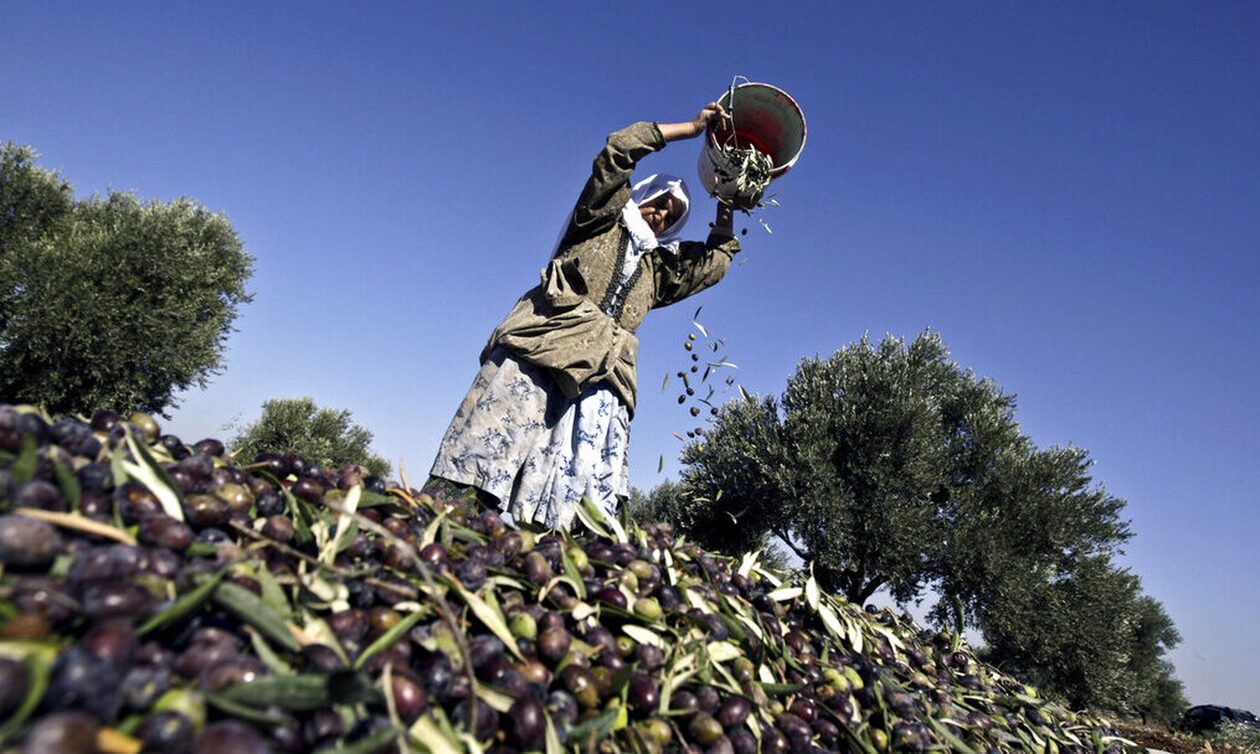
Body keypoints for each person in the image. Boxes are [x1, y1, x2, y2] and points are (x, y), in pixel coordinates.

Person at [424, 103, 741, 529]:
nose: (662, 214)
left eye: (673, 213)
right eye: (659, 202)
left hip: (603, 377)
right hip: (544, 344)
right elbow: (618, 151)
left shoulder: (658, 269)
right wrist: (693, 128)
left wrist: (728, 200)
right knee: (485, 454)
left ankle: (540, 561)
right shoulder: (598, 219)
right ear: (643, 195)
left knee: (572, 498)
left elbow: (715, 263)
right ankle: (436, 531)